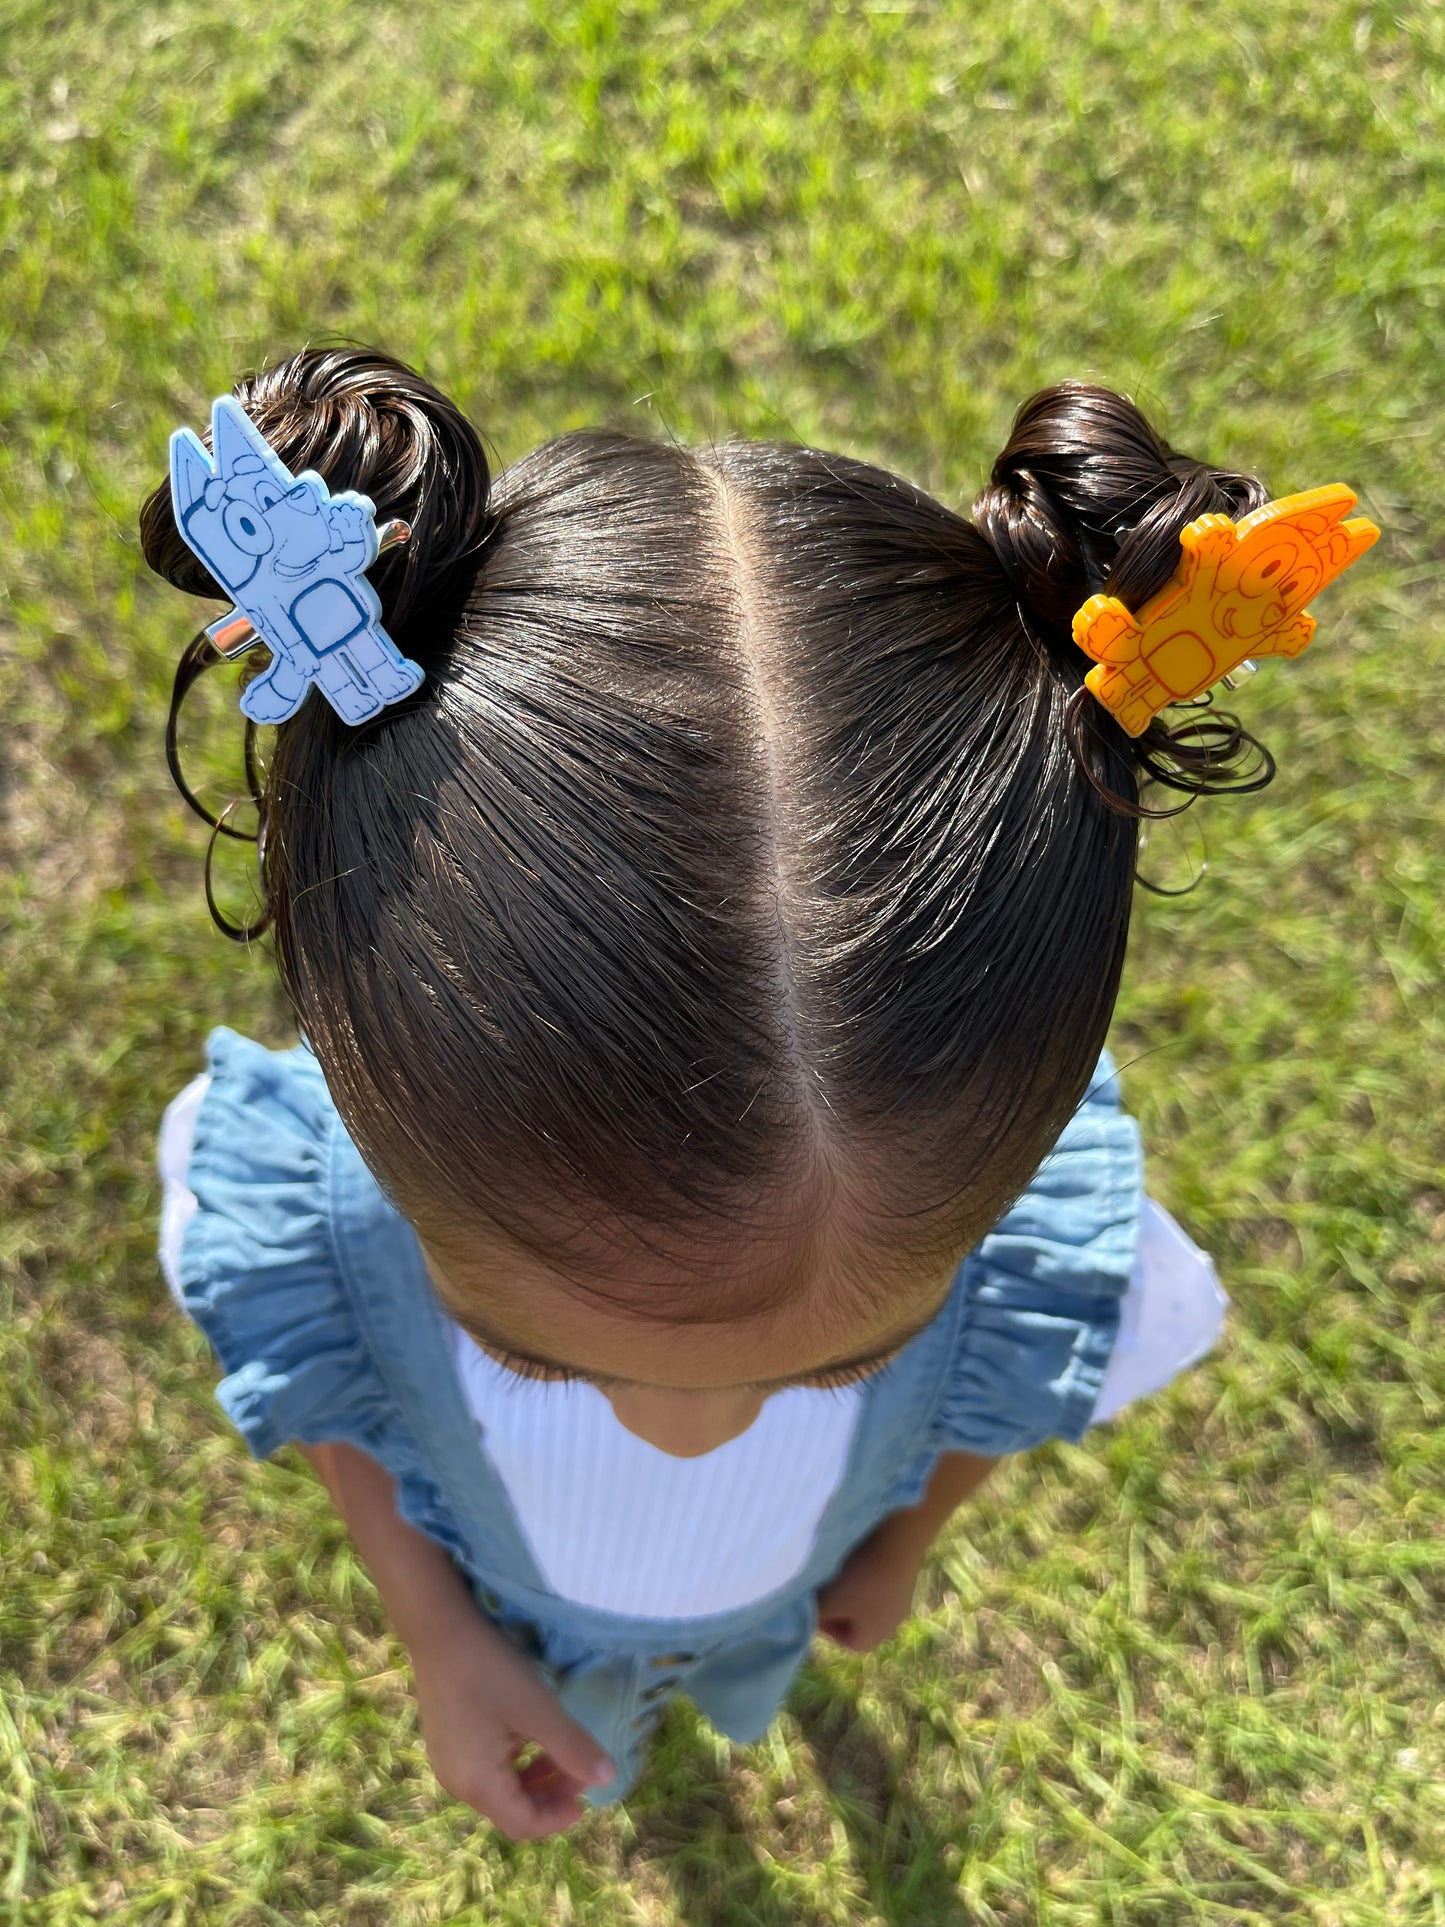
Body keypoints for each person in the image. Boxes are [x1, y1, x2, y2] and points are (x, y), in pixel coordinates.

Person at [139, 347, 1360, 1842]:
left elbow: (990, 1402)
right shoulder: (312, 1223)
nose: (690, 1429)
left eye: (835, 1370)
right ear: (352, 1071)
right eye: (539, 1359)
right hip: (504, 1613)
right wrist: (444, 1634)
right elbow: (343, 1390)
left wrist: (908, 1535)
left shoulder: (1040, 1260)